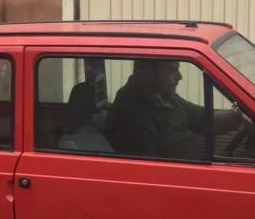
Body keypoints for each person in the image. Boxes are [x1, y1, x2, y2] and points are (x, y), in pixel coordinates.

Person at [103, 59, 245, 159]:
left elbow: (203, 118)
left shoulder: (163, 96)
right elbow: (151, 171)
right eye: (172, 70)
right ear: (147, 74)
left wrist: (238, 116)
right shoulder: (135, 113)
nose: (179, 77)